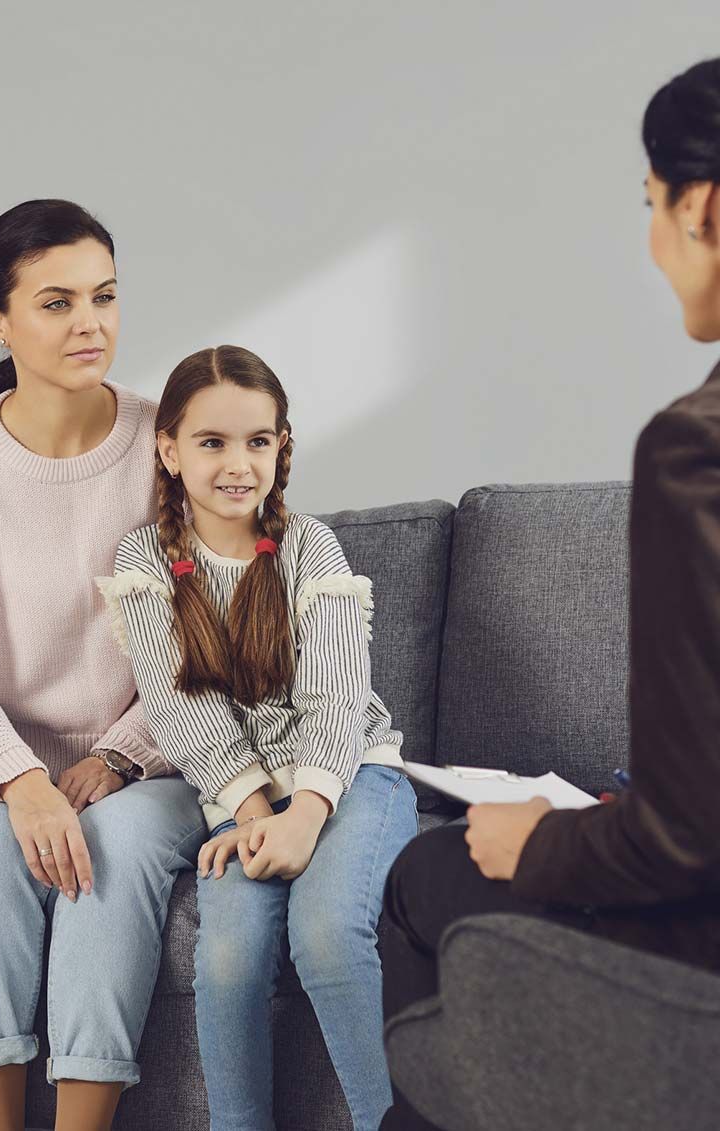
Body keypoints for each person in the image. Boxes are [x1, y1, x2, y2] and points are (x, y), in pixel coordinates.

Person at [379, 56, 720, 1130]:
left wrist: (543, 840)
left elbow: (688, 839)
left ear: (701, 208)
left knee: (431, 878)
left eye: (650, 206)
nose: (654, 241)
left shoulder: (694, 453)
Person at [0, 199, 205, 1131]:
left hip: (150, 757)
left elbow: (209, 651)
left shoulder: (174, 447)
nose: (90, 324)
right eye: (57, 302)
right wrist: (20, 780)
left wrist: (118, 757)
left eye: (105, 297)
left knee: (108, 848)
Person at [98, 345, 417, 1131]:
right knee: (231, 956)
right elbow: (178, 710)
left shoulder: (311, 547)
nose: (237, 464)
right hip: (239, 797)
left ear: (282, 448)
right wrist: (249, 812)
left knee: (327, 934)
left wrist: (304, 814)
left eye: (257, 442)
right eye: (212, 442)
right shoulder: (145, 562)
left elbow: (337, 699)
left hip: (345, 778)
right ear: (169, 451)